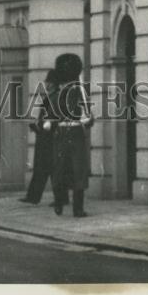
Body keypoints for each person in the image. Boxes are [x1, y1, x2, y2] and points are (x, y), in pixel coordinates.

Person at [47, 53, 93, 217]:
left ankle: (67, 205)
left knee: (70, 171)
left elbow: (88, 119)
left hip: (67, 133)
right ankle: (69, 205)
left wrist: (86, 118)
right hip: (70, 133)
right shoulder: (76, 93)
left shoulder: (70, 94)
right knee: (68, 171)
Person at [20, 69, 60, 205]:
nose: (46, 84)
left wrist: (39, 127)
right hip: (45, 136)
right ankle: (33, 197)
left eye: (48, 82)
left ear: (53, 83)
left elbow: (53, 119)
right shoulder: (52, 97)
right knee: (43, 169)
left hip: (49, 138)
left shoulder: (55, 97)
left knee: (50, 169)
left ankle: (37, 197)